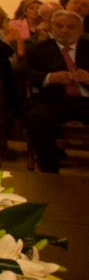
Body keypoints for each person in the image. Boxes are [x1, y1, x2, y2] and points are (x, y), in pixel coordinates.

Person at [22, 9, 89, 174]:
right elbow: (22, 71)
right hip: (53, 99)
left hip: (86, 99)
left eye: (71, 27)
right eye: (59, 26)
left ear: (80, 30)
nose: (65, 30)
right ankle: (49, 169)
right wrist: (50, 77)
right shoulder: (39, 49)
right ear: (52, 28)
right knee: (37, 118)